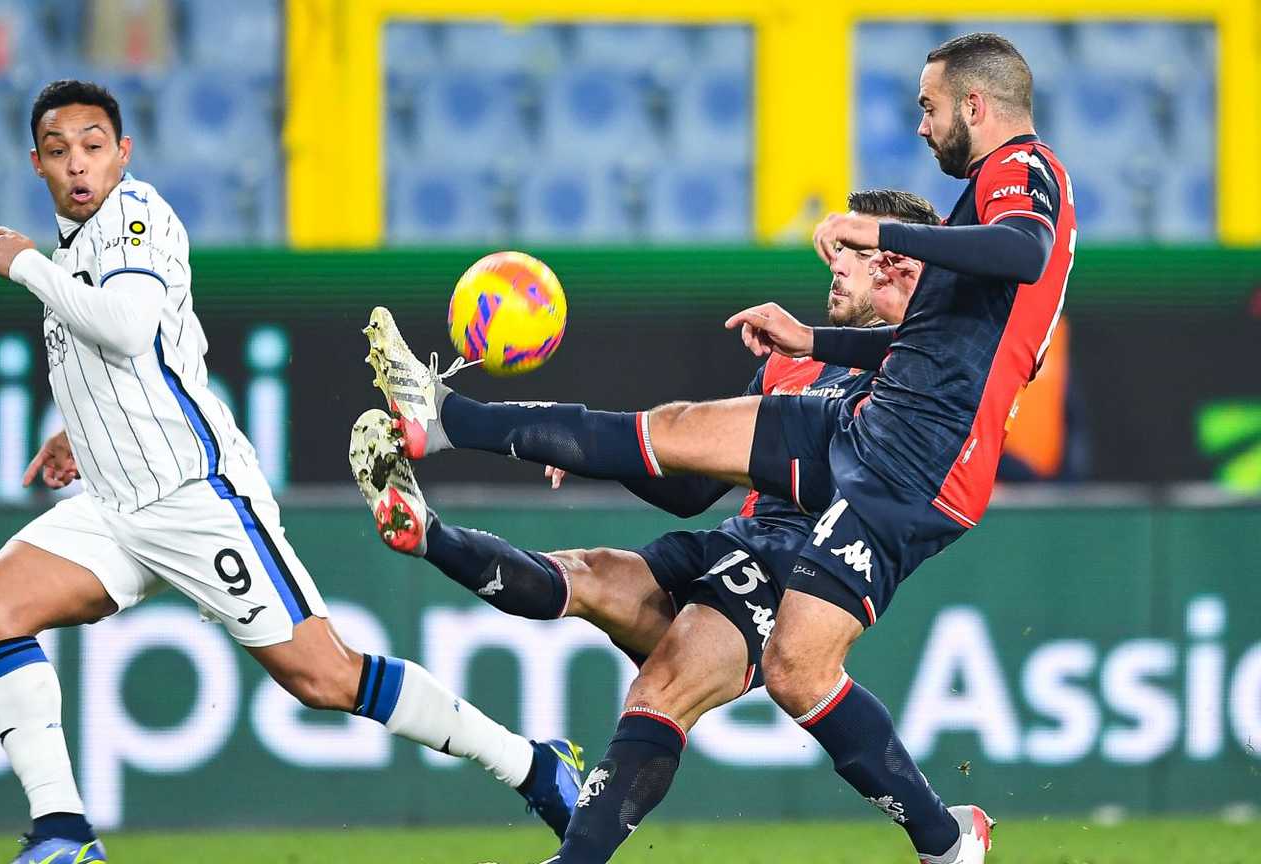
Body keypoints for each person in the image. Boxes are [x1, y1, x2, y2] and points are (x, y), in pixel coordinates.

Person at [366, 32, 1076, 863]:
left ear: (975, 105)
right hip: (870, 436)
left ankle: (944, 840)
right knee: (662, 437)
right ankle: (444, 416)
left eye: (929, 106)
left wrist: (881, 226)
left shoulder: (1025, 169)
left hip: (913, 464)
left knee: (795, 671)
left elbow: (1023, 250)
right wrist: (803, 334)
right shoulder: (891, 317)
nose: (922, 126)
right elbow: (907, 357)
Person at [0, 79, 581, 864]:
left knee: (325, 678)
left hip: (197, 497)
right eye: (59, 152)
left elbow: (125, 328)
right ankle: (63, 834)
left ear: (123, 153)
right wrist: (78, 431)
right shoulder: (74, 248)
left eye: (93, 146)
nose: (78, 165)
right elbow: (137, 362)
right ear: (37, 164)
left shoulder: (136, 218)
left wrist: (24, 267)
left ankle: (533, 766)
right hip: (117, 503)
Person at [354, 190, 935, 864]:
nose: (835, 264)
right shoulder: (789, 361)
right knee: (593, 576)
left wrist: (603, 444)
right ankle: (426, 532)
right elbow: (691, 488)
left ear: (902, 269)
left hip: (803, 574)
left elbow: (835, 476)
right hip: (737, 543)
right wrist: (598, 452)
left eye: (857, 253)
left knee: (663, 685)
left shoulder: (912, 379)